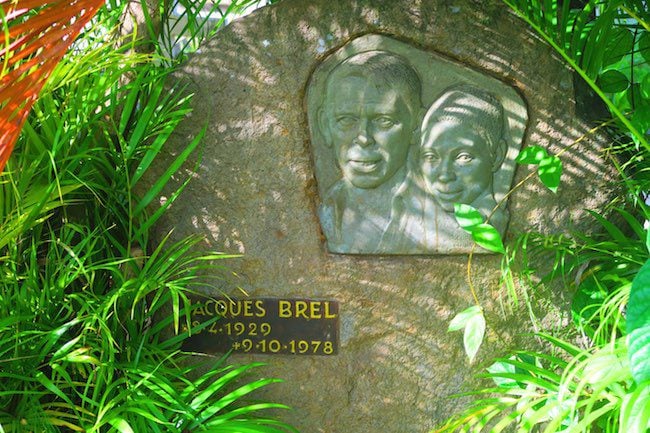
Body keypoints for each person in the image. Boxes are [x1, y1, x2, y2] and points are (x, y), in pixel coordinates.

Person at [380, 85, 509, 253]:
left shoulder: (492, 227)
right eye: (431, 157)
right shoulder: (409, 220)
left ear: (497, 156)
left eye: (463, 157)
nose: (444, 175)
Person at [317, 50, 423, 254]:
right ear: (324, 125)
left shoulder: (444, 214)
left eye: (384, 120)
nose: (364, 138)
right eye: (346, 119)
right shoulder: (326, 209)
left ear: (416, 126)